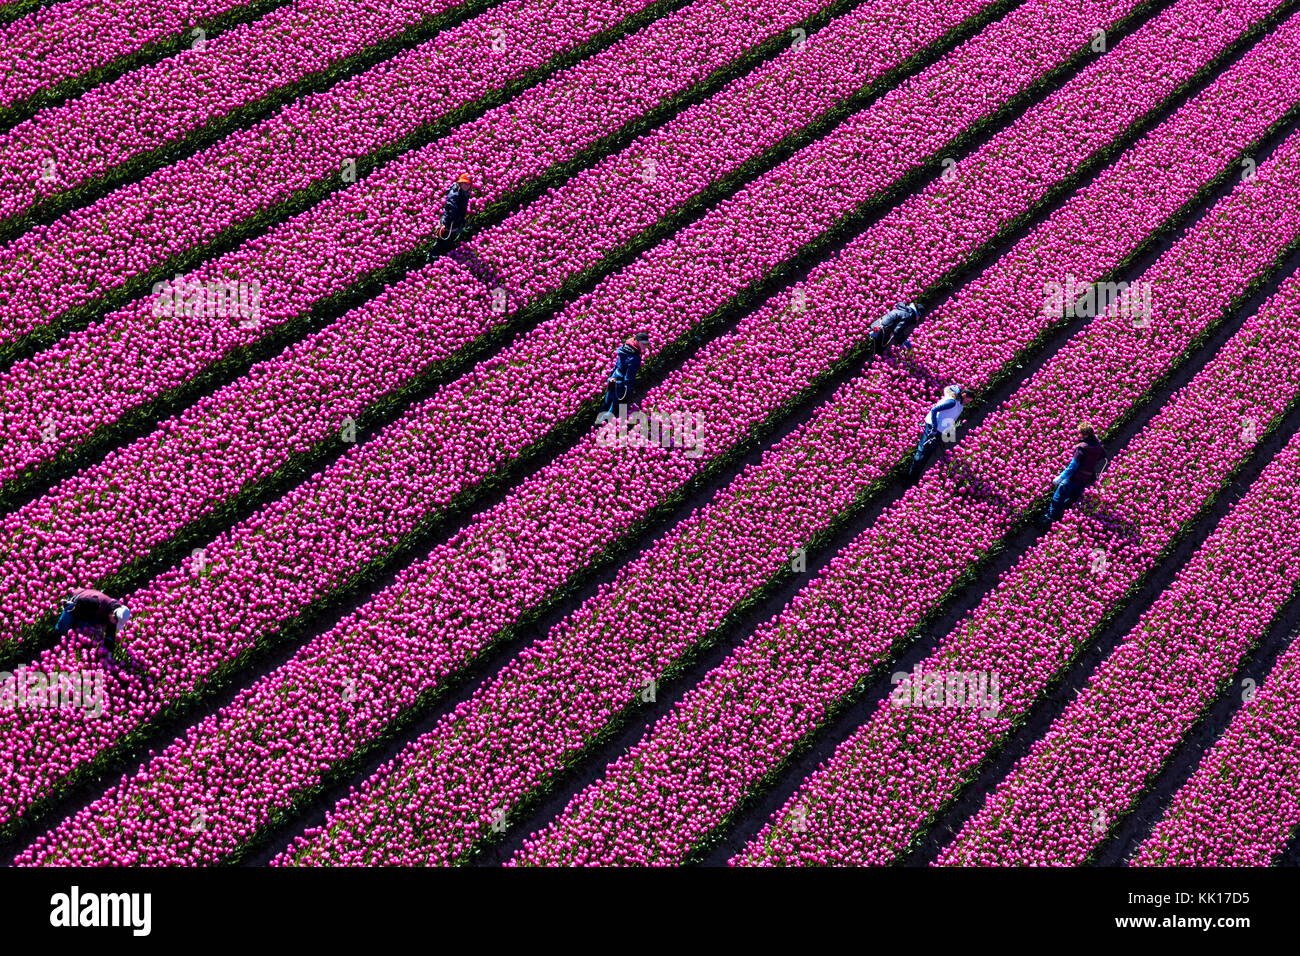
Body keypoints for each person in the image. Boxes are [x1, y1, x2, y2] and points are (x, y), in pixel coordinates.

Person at [1041, 425, 1107, 526]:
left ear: (1085, 435)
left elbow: (1073, 466)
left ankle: (1050, 518)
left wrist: (1061, 477)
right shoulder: (1097, 446)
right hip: (1086, 478)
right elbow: (1104, 456)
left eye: (1080, 433)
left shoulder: (1082, 448)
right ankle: (1064, 515)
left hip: (1075, 477)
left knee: (1058, 496)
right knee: (1073, 497)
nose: (1078, 435)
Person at [907, 384, 964, 484]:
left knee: (925, 454)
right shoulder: (951, 402)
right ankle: (910, 477)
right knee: (922, 453)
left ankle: (913, 477)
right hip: (933, 430)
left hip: (938, 431)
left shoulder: (956, 403)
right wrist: (934, 426)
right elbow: (934, 410)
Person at [55, 588, 130, 656]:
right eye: (116, 622)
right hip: (76, 603)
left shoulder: (114, 614)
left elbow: (110, 636)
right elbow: (80, 602)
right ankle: (58, 643)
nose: (115, 624)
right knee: (63, 629)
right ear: (113, 615)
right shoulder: (97, 603)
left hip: (89, 612)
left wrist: (109, 656)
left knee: (88, 632)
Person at [595, 332, 651, 425]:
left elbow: (616, 365)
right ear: (637, 342)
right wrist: (628, 392)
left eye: (647, 344)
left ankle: (597, 422)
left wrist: (610, 378)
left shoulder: (624, 348)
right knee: (614, 407)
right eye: (643, 344)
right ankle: (602, 426)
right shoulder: (635, 358)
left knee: (606, 402)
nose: (645, 346)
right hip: (620, 384)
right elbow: (629, 377)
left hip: (613, 379)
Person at [438, 173, 473, 238]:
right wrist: (454, 223)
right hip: (449, 224)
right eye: (465, 183)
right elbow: (451, 211)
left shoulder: (464, 192)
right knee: (444, 240)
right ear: (460, 183)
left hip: (455, 223)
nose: (466, 186)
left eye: (468, 184)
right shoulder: (455, 194)